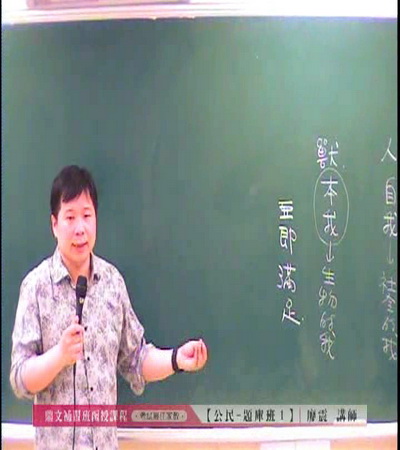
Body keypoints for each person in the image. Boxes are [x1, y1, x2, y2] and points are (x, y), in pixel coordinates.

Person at [10, 165, 208, 450]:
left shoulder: (112, 283)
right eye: (70, 217)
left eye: (87, 216)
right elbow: (20, 378)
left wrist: (177, 359)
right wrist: (59, 356)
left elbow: (136, 359)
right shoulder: (36, 287)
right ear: (54, 225)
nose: (80, 228)